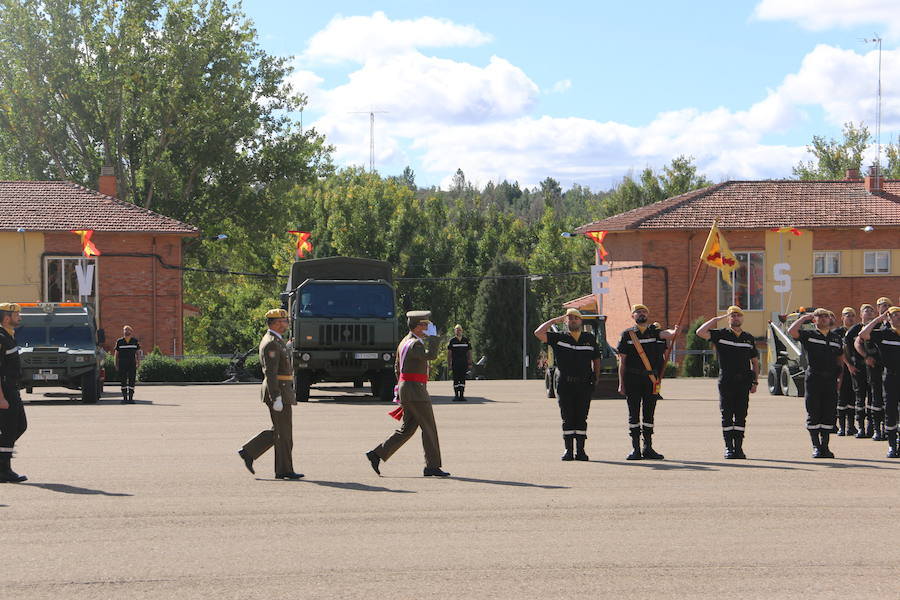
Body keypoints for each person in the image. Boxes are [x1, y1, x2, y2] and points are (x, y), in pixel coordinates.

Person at [366, 310, 449, 477]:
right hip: (416, 391)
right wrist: (434, 338)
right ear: (417, 327)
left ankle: (377, 454)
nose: (427, 327)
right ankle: (432, 466)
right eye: (425, 325)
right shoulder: (415, 344)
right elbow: (431, 356)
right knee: (429, 427)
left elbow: (398, 368)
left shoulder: (404, 342)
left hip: (408, 388)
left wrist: (402, 388)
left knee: (408, 429)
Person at [238, 309, 303, 480]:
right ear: (275, 323)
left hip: (282, 389)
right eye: (284, 321)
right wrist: (277, 397)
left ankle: (249, 451)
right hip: (278, 390)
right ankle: (284, 470)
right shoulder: (272, 343)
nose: (287, 323)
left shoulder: (277, 341)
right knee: (284, 433)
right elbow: (271, 372)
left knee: (280, 430)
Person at [534, 308, 601, 461]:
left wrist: (596, 377)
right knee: (567, 417)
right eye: (570, 318)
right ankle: (568, 450)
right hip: (565, 384)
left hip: (584, 384)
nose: (573, 321)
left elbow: (596, 359)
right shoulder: (559, 337)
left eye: (576, 318)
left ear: (581, 321)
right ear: (565, 321)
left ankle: (581, 451)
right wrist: (553, 321)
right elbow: (538, 333)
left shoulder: (589, 338)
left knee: (581, 418)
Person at [696, 306, 759, 459]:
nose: (735, 318)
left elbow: (755, 362)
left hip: (744, 381)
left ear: (742, 318)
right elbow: (700, 332)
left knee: (741, 415)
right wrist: (716, 320)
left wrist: (755, 382)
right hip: (727, 381)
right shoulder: (721, 334)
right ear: (728, 318)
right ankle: (729, 448)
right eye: (732, 316)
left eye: (738, 315)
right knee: (727, 414)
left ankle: (738, 448)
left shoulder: (748, 337)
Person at [616, 304, 677, 460]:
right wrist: (621, 383)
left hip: (651, 380)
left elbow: (667, 334)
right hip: (632, 378)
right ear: (633, 316)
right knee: (634, 415)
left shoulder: (655, 332)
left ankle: (648, 448)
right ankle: (635, 449)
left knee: (649, 415)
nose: (642, 314)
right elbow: (622, 361)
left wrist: (674, 331)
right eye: (638, 312)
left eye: (644, 312)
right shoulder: (627, 335)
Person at [789, 308, 843, 458]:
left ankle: (825, 446)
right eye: (820, 316)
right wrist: (804, 318)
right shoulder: (809, 335)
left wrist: (840, 378)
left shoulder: (836, 338)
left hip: (830, 379)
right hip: (814, 379)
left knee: (829, 413)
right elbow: (792, 331)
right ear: (814, 319)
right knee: (814, 412)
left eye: (826, 316)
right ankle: (816, 446)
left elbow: (840, 359)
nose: (824, 318)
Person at [857, 306, 900, 457]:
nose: (898, 317)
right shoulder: (884, 334)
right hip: (891, 377)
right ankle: (892, 446)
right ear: (889, 318)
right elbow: (863, 334)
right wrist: (878, 319)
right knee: (891, 411)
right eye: (895, 315)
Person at [0, 302, 27, 482]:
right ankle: (4, 470)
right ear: (7, 317)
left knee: (19, 426)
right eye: (16, 314)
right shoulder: (1, 337)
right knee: (9, 430)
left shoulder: (9, 335)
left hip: (12, 389)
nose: (19, 317)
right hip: (5, 391)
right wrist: (1, 398)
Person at [846, 304, 876, 438]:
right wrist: (849, 365)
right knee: (860, 398)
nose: (869, 313)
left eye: (871, 311)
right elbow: (845, 349)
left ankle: (871, 426)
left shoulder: (876, 329)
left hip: (873, 368)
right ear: (861, 314)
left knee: (872, 398)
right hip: (858, 367)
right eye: (866, 311)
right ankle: (861, 428)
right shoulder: (854, 330)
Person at [833, 308, 859, 436]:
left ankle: (851, 426)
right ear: (842, 318)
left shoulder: (857, 331)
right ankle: (842, 427)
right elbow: (839, 350)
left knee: (853, 397)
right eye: (847, 316)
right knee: (842, 397)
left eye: (853, 316)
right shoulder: (837, 332)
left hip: (854, 368)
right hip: (842, 368)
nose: (850, 318)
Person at [114, 325, 142, 404]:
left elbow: (138, 353)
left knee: (132, 380)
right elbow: (116, 354)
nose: (126, 331)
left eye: (127, 330)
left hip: (131, 363)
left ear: (131, 331)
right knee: (123, 380)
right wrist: (116, 364)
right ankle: (124, 398)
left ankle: (130, 398)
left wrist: (139, 363)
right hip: (122, 362)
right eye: (124, 330)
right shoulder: (119, 341)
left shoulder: (134, 341)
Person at [447, 324, 473, 401]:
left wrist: (470, 362)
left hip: (463, 363)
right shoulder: (452, 341)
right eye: (457, 330)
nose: (458, 331)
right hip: (455, 363)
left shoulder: (466, 340)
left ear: (462, 331)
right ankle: (456, 395)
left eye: (459, 330)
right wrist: (449, 364)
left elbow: (469, 352)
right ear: (455, 331)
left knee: (462, 379)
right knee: (456, 379)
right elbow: (449, 353)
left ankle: (461, 395)